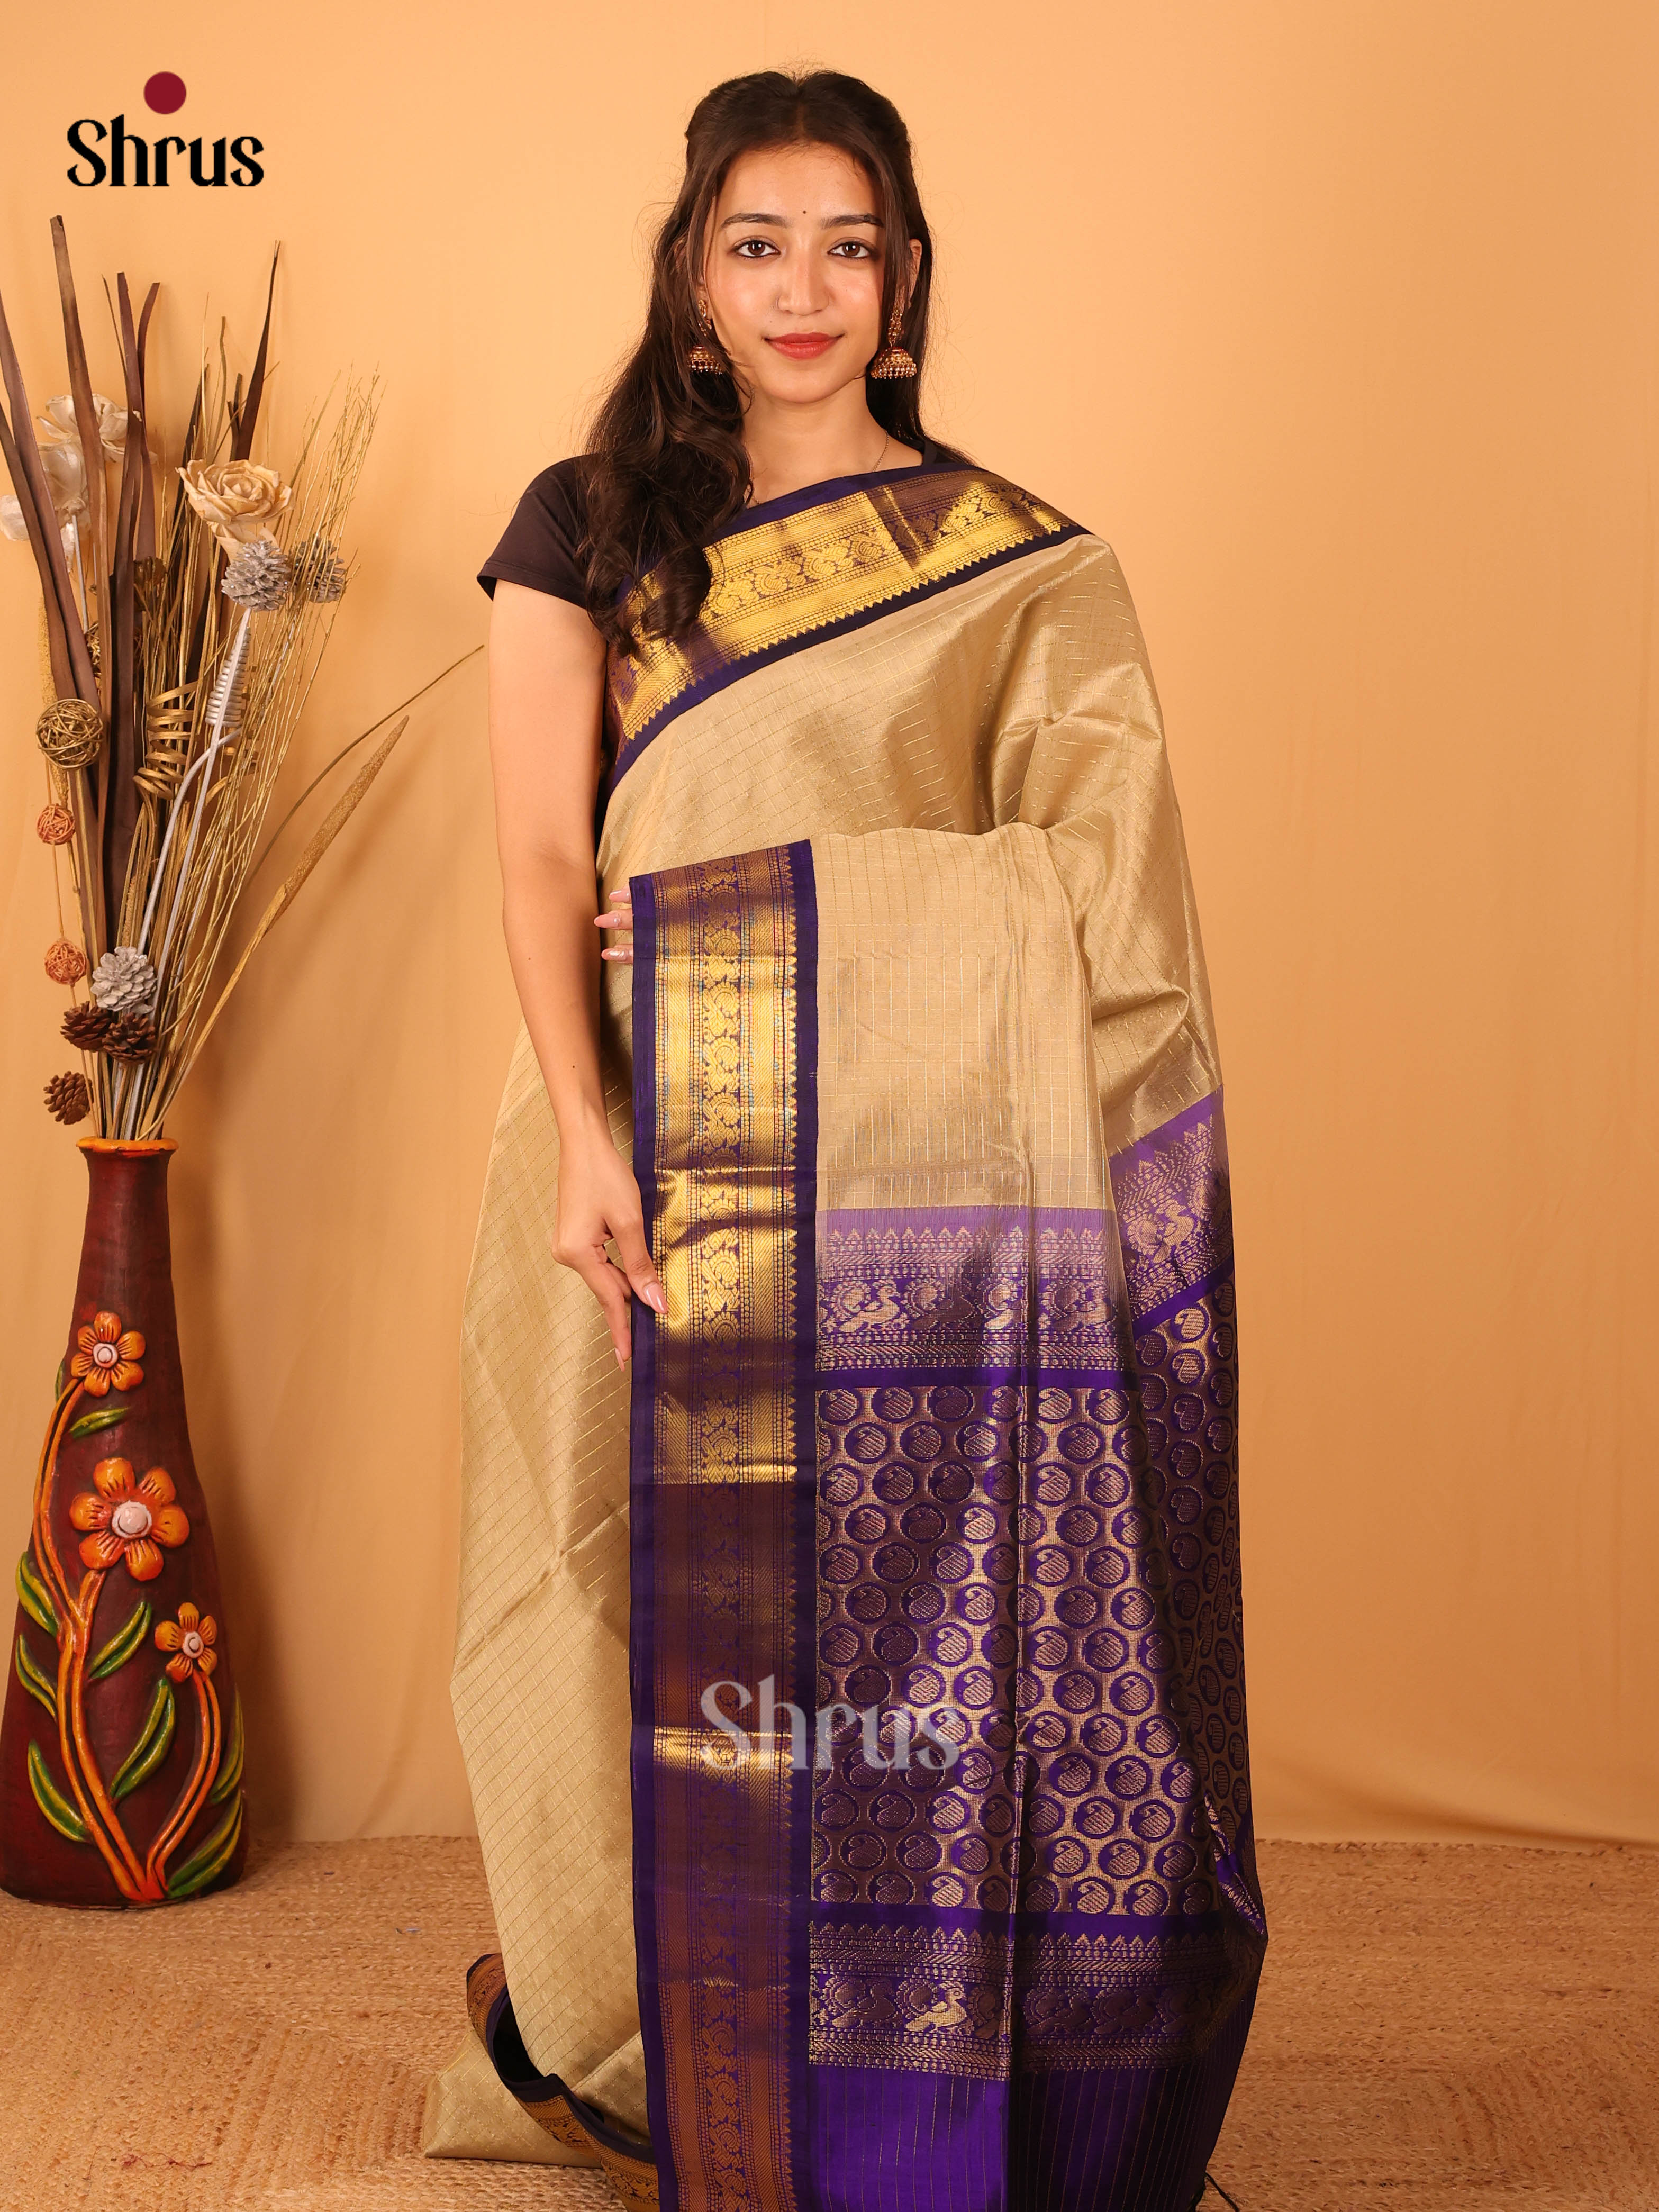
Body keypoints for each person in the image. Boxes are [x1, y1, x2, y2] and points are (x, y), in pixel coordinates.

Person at [445, 66, 1265, 2212]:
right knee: (645, 1602)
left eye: (845, 246)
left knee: (921, 1622)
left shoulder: (1025, 568)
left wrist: (776, 917)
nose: (801, 288)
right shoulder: (588, 528)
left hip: (944, 1201)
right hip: (649, 1152)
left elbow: (1105, 907)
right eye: (757, 244)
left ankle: (929, 2083)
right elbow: (539, 856)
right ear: (693, 281)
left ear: (901, 283)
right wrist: (585, 1138)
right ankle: (669, 2049)